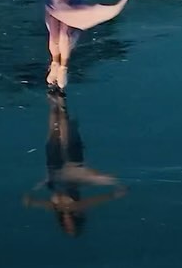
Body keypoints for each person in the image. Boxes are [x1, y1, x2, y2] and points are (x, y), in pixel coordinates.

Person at [22, 94, 127, 236]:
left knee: (53, 135)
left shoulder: (57, 208)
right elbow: (94, 201)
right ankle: (62, 105)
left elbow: (44, 204)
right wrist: (114, 194)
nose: (68, 224)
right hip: (70, 169)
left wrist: (33, 202)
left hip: (54, 171)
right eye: (72, 227)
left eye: (68, 228)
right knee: (65, 140)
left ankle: (54, 104)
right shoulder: (75, 206)